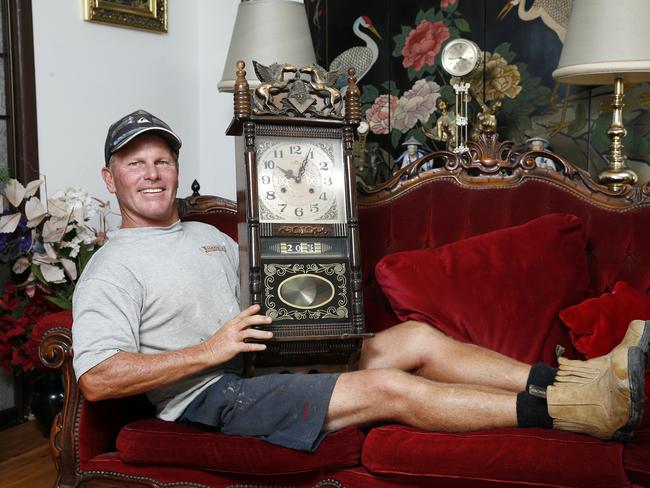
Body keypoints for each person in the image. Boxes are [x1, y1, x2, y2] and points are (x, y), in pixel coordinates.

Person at [72, 109, 649, 453]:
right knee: (389, 389)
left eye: (161, 161)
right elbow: (97, 379)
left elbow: (270, 300)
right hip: (213, 395)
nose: (151, 175)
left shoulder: (217, 239)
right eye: (134, 163)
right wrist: (209, 351)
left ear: (176, 168)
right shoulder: (111, 267)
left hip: (266, 362)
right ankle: (579, 410)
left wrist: (319, 330)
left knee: (418, 338)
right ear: (110, 177)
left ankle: (580, 376)